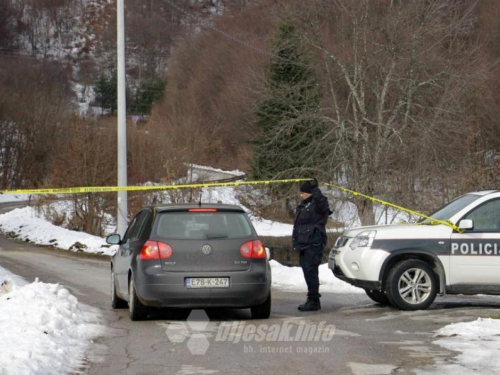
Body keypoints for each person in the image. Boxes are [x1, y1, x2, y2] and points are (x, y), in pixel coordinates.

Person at [292, 178, 332, 311]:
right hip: (304, 243)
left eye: (304, 192)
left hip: (313, 243)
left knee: (311, 271)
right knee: (307, 271)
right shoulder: (303, 206)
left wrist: (315, 188)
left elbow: (321, 202)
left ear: (310, 193)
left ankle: (314, 301)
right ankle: (312, 298)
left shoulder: (319, 204)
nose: (301, 195)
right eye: (301, 192)